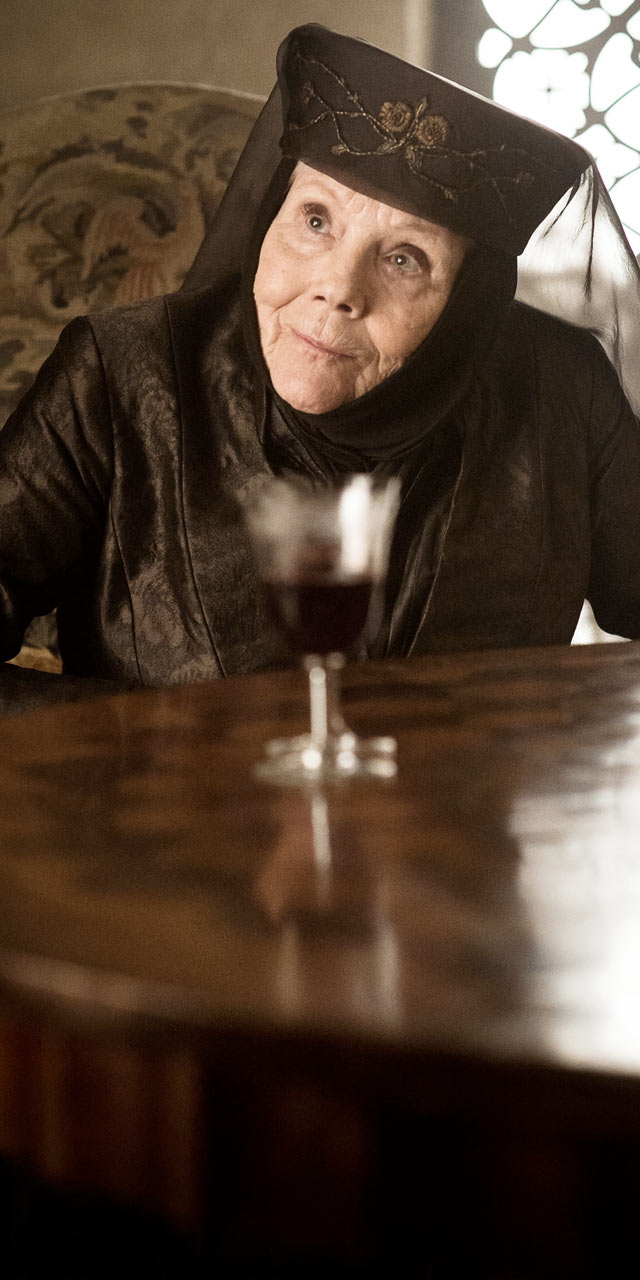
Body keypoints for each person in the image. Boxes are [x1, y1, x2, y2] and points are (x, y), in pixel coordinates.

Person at [1, 22, 640, 715]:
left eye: (404, 258)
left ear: (470, 303)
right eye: (315, 220)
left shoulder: (565, 391)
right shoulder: (118, 376)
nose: (339, 289)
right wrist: (169, 743)